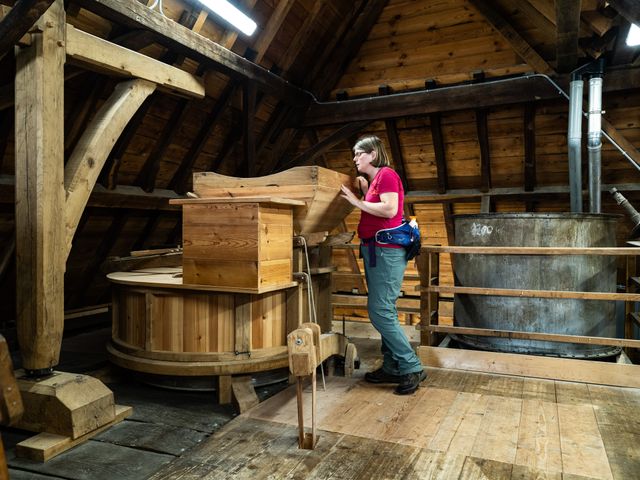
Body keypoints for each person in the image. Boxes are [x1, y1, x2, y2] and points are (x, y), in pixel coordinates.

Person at [340, 135, 426, 395]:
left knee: (379, 311)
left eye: (359, 154)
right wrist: (366, 191)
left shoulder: (387, 174)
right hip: (375, 249)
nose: (355, 159)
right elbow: (378, 206)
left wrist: (355, 201)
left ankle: (411, 367)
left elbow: (390, 211)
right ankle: (392, 366)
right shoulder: (378, 179)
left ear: (373, 154)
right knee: (384, 309)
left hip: (386, 251)